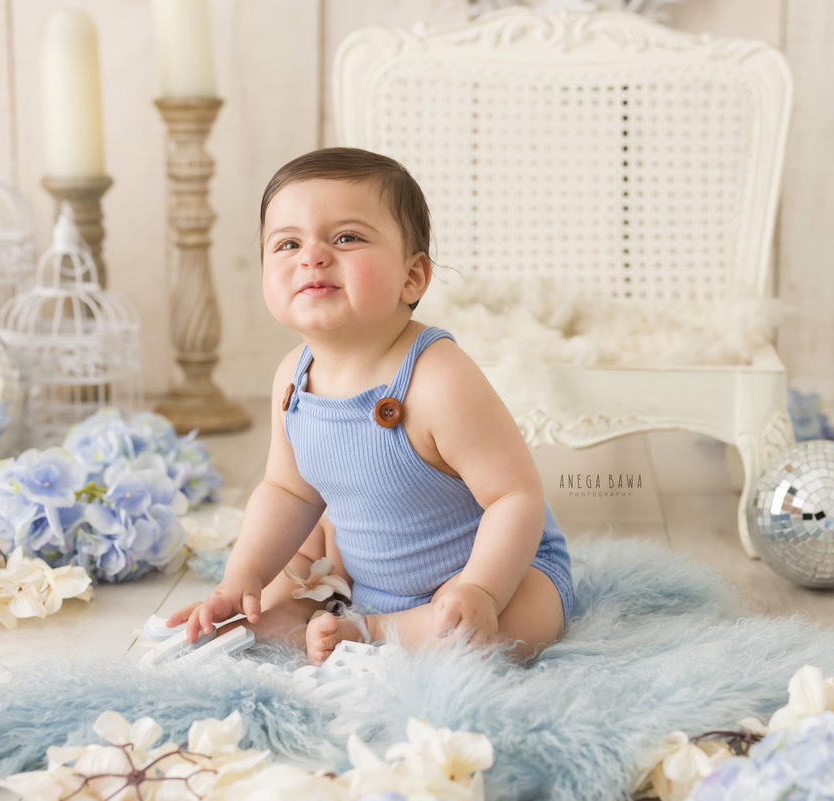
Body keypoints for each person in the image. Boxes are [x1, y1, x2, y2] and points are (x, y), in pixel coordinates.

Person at [167, 147, 574, 665]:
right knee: (260, 614)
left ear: (413, 278)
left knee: (498, 634)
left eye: (346, 238)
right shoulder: (293, 376)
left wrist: (483, 592)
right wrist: (240, 578)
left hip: (497, 569)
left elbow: (515, 496)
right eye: (288, 243)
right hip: (366, 573)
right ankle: (342, 625)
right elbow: (289, 491)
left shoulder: (438, 377)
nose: (311, 256)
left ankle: (376, 632)